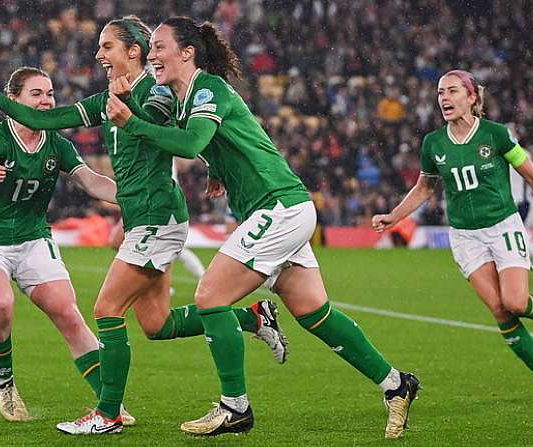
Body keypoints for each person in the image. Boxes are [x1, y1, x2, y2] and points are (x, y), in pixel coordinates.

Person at [0, 15, 287, 435]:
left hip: (158, 218)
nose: (99, 54)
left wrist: (131, 108)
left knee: (105, 310)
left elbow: (172, 128)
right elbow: (44, 121)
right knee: (157, 324)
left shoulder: (155, 92)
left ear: (133, 51)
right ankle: (253, 318)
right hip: (141, 218)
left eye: (108, 47)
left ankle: (107, 413)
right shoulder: (103, 101)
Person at [105, 16, 419, 439]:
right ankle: (396, 384)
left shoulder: (207, 88)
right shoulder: (184, 98)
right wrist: (218, 168)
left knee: (210, 296)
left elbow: (190, 145)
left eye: (160, 47)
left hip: (278, 207)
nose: (153, 55)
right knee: (314, 313)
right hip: (280, 208)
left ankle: (236, 407)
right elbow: (219, 142)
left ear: (187, 52)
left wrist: (131, 122)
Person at [372, 69, 533, 400]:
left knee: (514, 301)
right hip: (465, 236)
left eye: (452, 91)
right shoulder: (434, 143)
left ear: (472, 98)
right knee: (499, 310)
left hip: (503, 226)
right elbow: (425, 187)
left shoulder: (496, 135)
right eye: (440, 93)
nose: (444, 98)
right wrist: (394, 217)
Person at [0, 66, 137, 423]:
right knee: (3, 305)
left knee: (68, 313)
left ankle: (108, 405)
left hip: (33, 238)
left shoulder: (57, 143)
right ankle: (4, 382)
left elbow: (92, 182)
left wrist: (138, 199)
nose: (46, 101)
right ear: (14, 100)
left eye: (50, 94)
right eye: (36, 94)